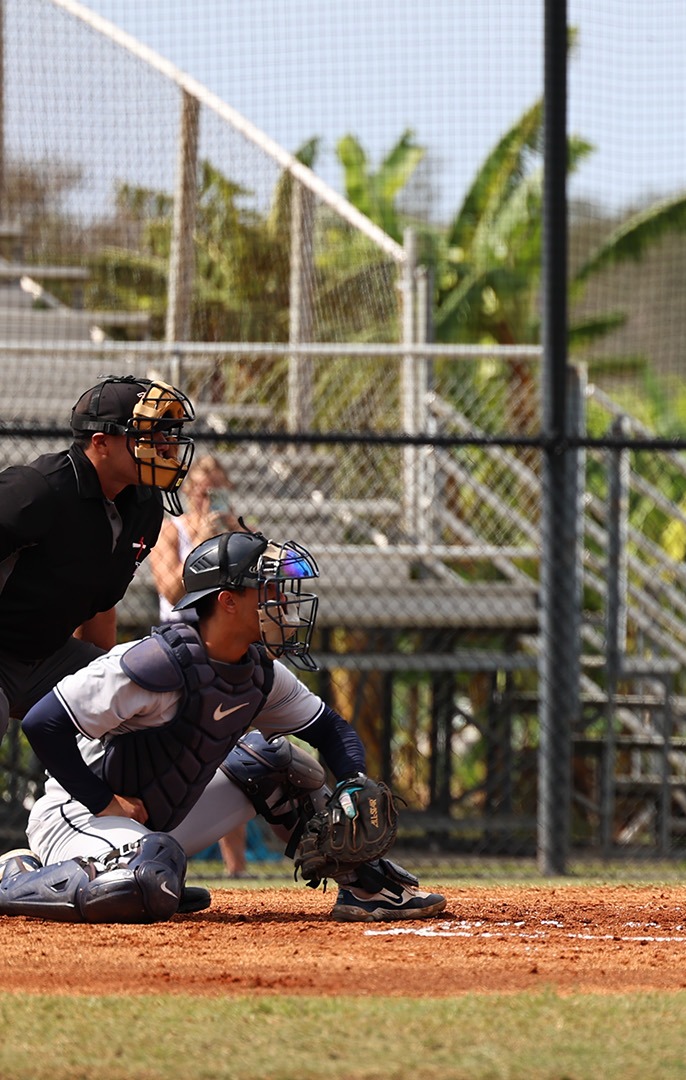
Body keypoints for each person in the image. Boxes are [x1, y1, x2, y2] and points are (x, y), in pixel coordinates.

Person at [0, 530, 446, 922]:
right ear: (227, 601)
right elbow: (42, 723)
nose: (282, 602)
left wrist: (351, 781)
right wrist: (104, 802)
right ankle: (16, 876)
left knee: (277, 765)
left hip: (154, 823)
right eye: (268, 590)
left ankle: (368, 887)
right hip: (78, 816)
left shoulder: (259, 674)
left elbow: (331, 730)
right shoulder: (154, 663)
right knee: (142, 883)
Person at [0, 377, 194, 726]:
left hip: (48, 657)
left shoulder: (144, 506)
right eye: (149, 434)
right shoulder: (36, 491)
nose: (165, 446)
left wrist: (105, 686)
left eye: (166, 434)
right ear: (101, 442)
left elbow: (99, 604)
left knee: (159, 701)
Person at [147, 452, 254, 876]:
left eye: (218, 491)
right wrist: (203, 547)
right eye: (203, 491)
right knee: (172, 752)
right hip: (181, 643)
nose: (209, 499)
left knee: (230, 750)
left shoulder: (239, 532)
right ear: (190, 492)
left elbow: (268, 584)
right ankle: (157, 858)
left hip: (227, 647)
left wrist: (235, 535)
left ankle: (236, 869)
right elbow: (170, 590)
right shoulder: (170, 530)